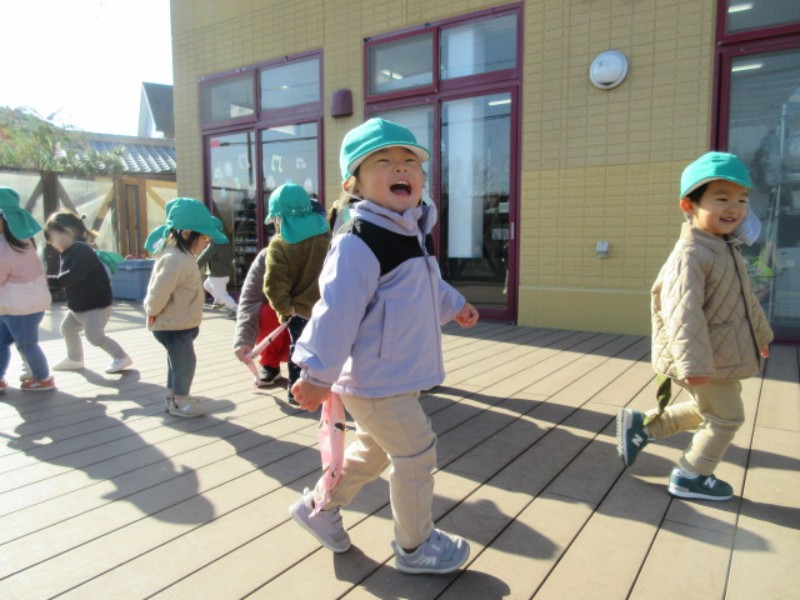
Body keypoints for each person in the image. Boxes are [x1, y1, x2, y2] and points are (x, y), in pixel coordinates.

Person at [288, 118, 480, 574]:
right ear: (352, 184)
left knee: (373, 450)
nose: (401, 168)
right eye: (384, 161)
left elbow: (425, 285)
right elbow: (335, 312)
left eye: (410, 161)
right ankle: (415, 546)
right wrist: (316, 375)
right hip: (376, 378)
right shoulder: (359, 241)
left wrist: (454, 304)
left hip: (393, 374)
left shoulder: (409, 230)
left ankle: (319, 508)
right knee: (416, 451)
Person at [616, 152, 774, 501]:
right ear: (689, 205)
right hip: (706, 357)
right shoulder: (691, 255)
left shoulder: (725, 247)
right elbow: (682, 313)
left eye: (742, 200)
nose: (734, 208)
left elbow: (746, 300)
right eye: (722, 198)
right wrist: (693, 364)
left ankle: (643, 427)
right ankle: (691, 475)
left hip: (723, 352)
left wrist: (761, 336)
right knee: (726, 418)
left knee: (710, 409)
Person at [144, 198, 229, 418]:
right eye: (204, 238)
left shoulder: (182, 256)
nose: (206, 244)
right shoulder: (175, 258)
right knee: (185, 362)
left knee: (176, 362)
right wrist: (151, 311)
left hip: (179, 322)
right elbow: (159, 290)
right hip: (173, 324)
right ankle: (180, 401)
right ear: (186, 233)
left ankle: (172, 397)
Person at [262, 183, 330, 404]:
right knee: (326, 349)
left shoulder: (279, 245)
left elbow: (273, 285)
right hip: (328, 307)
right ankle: (328, 390)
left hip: (298, 312)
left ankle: (296, 393)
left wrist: (284, 309)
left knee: (299, 352)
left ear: (279, 218)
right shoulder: (325, 236)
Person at [44, 211, 133, 374]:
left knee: (95, 336)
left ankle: (121, 357)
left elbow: (73, 276)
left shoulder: (82, 250)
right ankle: (74, 359)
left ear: (68, 232)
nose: (53, 244)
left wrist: (49, 280)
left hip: (95, 306)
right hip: (79, 306)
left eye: (53, 239)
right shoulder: (69, 252)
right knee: (68, 329)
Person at [0, 187, 55, 392]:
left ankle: (43, 378)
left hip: (20, 307)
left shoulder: (5, 247)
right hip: (17, 306)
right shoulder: (23, 241)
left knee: (26, 344)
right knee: (6, 343)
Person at [232, 245, 290, 386]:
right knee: (267, 311)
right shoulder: (268, 254)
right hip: (284, 326)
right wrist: (243, 339)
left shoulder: (328, 250)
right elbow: (250, 300)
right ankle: (270, 364)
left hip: (316, 325)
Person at [196, 217, 237, 319]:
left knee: (221, 294)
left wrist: (194, 266)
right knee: (207, 285)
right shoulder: (224, 239)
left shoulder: (216, 242)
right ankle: (219, 301)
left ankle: (236, 310)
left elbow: (205, 256)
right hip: (223, 272)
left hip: (218, 274)